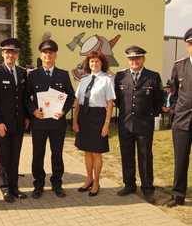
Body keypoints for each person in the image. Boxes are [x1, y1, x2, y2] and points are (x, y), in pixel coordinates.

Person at [114, 46, 163, 203]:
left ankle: (147, 189)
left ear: (143, 59)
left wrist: (148, 116)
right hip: (125, 123)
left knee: (145, 157)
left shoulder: (153, 76)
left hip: (144, 125)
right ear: (128, 60)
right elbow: (117, 100)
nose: (134, 61)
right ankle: (129, 185)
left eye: (137, 58)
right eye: (131, 59)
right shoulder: (120, 76)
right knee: (127, 155)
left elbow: (159, 101)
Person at [26, 39, 75, 199]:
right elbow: (26, 97)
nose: (48, 55)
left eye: (51, 53)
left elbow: (70, 97)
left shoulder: (63, 74)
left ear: (55, 55)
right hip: (39, 122)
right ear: (41, 55)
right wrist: (33, 111)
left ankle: (57, 184)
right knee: (38, 154)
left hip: (57, 122)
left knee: (57, 154)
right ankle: (38, 185)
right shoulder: (33, 75)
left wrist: (64, 111)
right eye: (45, 53)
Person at [0, 38, 28, 202]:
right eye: (7, 52)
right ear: (2, 53)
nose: (10, 55)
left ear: (17, 55)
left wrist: (26, 117)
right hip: (2, 124)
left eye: (13, 52)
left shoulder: (22, 72)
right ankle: (5, 188)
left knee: (15, 155)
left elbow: (24, 98)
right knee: (3, 156)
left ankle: (14, 187)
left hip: (18, 123)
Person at [73, 51, 115, 196]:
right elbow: (77, 102)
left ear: (102, 63)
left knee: (96, 152)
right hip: (84, 118)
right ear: (88, 64)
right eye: (91, 62)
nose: (94, 64)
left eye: (97, 61)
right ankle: (89, 178)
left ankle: (97, 182)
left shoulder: (107, 80)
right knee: (87, 151)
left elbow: (110, 104)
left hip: (98, 117)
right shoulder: (84, 79)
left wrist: (106, 124)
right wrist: (74, 121)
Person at [165, 28, 192, 207]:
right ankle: (178, 195)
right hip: (182, 121)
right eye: (191, 43)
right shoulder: (179, 65)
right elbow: (172, 92)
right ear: (187, 45)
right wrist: (175, 111)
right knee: (181, 159)